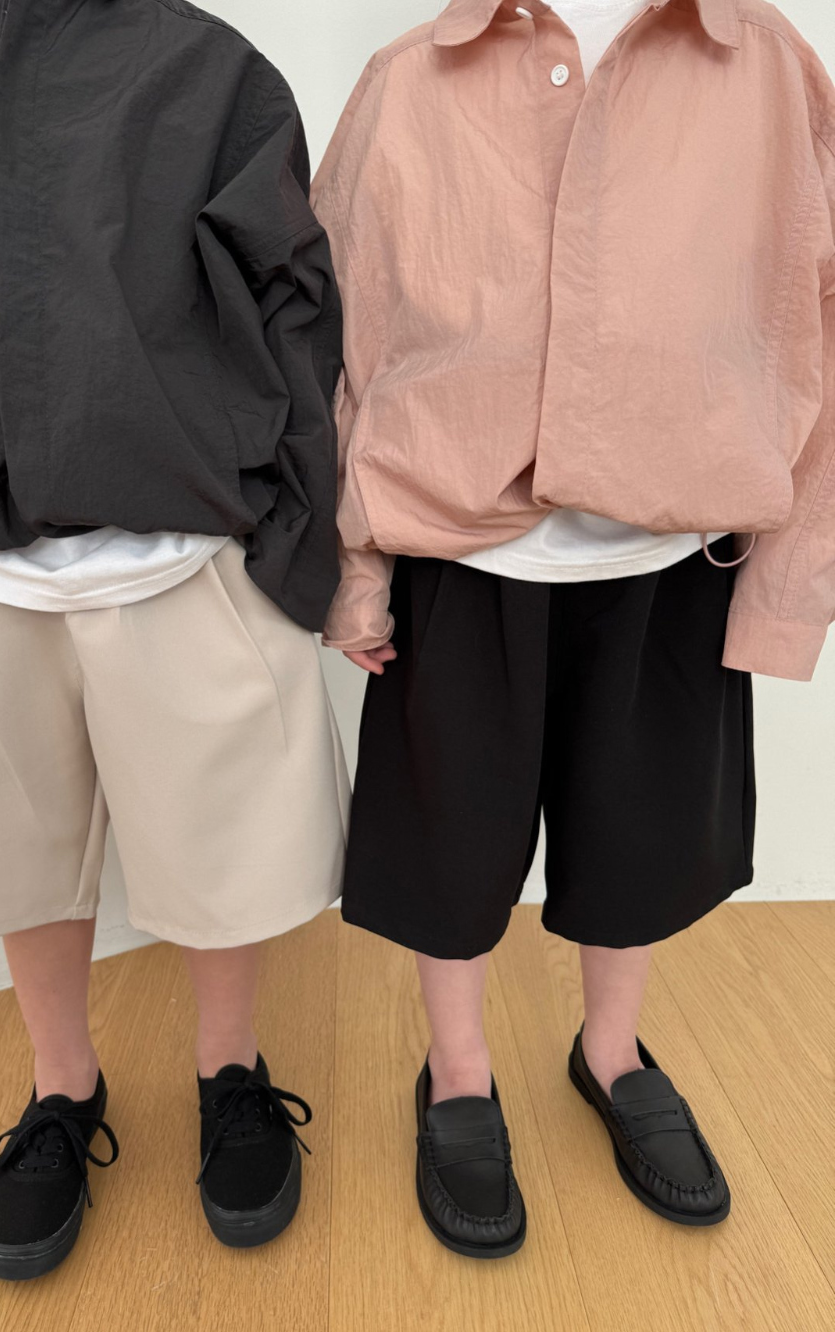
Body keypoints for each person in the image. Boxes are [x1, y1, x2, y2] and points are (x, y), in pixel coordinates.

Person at [0, 0, 350, 1279]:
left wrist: (298, 541)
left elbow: (294, 309)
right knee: (16, 851)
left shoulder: (206, 69)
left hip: (180, 547)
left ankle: (230, 1069)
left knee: (221, 849)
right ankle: (61, 1087)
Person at [312, 0, 835, 1258]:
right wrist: (353, 573)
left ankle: (612, 1052)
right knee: (448, 843)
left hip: (674, 552)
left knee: (641, 831)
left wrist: (786, 589)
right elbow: (337, 333)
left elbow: (817, 310)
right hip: (459, 551)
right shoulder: (408, 78)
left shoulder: (767, 67)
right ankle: (457, 1070)